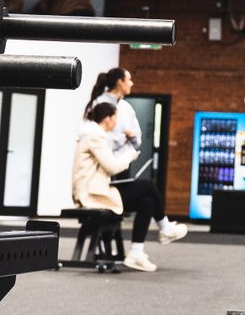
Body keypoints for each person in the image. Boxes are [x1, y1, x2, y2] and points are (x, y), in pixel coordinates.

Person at [72, 101, 188, 273]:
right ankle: (165, 227)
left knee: (147, 202)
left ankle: (136, 252)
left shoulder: (94, 135)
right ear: (108, 118)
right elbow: (111, 167)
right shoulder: (96, 137)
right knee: (148, 185)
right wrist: (129, 157)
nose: (116, 123)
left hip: (97, 191)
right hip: (92, 195)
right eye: (115, 119)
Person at [84, 67, 141, 159]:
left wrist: (132, 137)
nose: (132, 83)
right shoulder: (98, 103)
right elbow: (92, 137)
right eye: (129, 80)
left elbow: (137, 138)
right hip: (102, 162)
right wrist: (122, 138)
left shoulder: (127, 108)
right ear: (120, 82)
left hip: (123, 164)